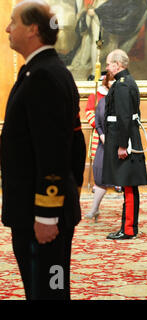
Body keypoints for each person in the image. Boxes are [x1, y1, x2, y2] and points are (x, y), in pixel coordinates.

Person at [1, 0, 86, 299]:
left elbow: (53, 150)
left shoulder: (43, 76)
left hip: (39, 215)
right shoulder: (41, 71)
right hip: (40, 209)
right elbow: (75, 143)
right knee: (50, 288)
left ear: (33, 29)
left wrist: (48, 214)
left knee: (46, 292)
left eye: (14, 22)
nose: (8, 28)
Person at [102, 49, 147, 240]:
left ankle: (128, 229)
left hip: (123, 139)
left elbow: (124, 116)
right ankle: (128, 227)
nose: (106, 68)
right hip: (126, 136)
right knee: (128, 185)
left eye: (108, 64)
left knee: (128, 185)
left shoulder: (121, 85)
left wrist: (122, 145)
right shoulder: (128, 81)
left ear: (117, 64)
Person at [85, 72, 115, 220]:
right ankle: (95, 208)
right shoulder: (96, 96)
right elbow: (89, 113)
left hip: (117, 139)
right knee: (101, 172)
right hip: (100, 137)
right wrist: (99, 129)